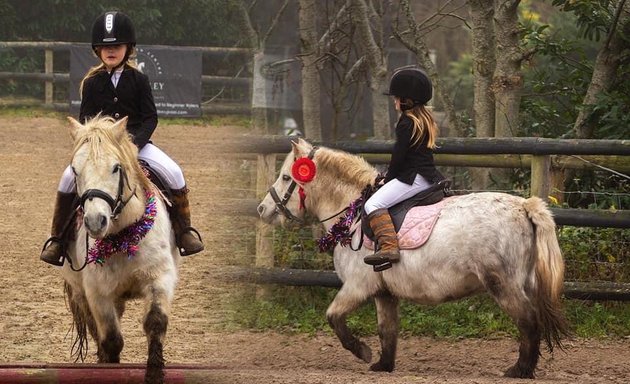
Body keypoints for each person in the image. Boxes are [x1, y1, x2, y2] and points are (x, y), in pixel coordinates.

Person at [40, 11, 204, 266]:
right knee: (67, 179)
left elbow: (150, 118)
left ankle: (184, 233)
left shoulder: (139, 79)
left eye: (116, 45)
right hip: (101, 150)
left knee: (174, 172)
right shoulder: (93, 83)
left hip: (137, 146)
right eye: (105, 47)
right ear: (97, 50)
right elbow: (86, 121)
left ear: (128, 48)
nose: (111, 51)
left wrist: (133, 146)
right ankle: (57, 241)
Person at [363, 67, 443, 270]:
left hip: (412, 177)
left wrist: (387, 179)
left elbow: (398, 158)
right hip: (427, 176)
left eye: (396, 97)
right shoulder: (424, 119)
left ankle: (389, 247)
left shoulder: (406, 123)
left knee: (372, 205)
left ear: (407, 100)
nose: (394, 101)